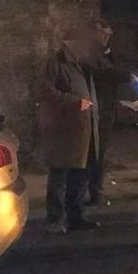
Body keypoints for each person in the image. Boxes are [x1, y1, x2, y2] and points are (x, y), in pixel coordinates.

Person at [37, 25, 101, 234]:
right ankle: (55, 219)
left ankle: (76, 216)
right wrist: (74, 102)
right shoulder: (56, 63)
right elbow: (45, 91)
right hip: (64, 130)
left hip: (83, 130)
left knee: (80, 174)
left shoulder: (82, 64)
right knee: (60, 176)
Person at [87, 18, 135, 206]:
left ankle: (95, 190)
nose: (107, 38)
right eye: (104, 35)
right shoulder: (91, 52)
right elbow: (108, 71)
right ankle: (93, 192)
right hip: (97, 108)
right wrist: (127, 77)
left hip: (105, 106)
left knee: (99, 151)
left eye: (108, 35)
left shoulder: (105, 52)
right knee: (95, 152)